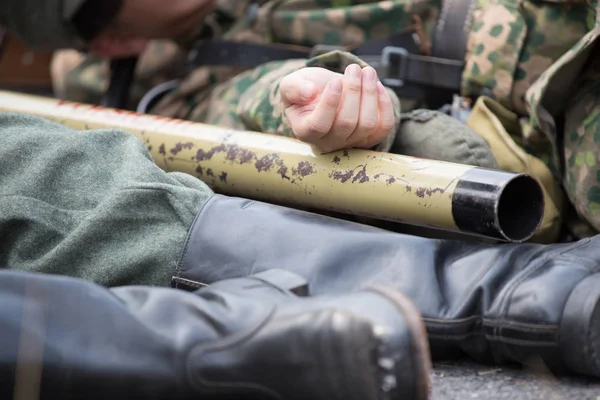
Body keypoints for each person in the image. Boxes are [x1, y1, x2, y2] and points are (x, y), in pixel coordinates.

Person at [1, 0, 600, 394]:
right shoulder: (159, 86)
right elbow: (240, 114)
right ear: (109, 40)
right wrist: (330, 103)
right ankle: (512, 294)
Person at [50, 0, 599, 244]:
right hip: (565, 89)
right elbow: (255, 105)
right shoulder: (190, 93)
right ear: (112, 39)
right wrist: (324, 96)